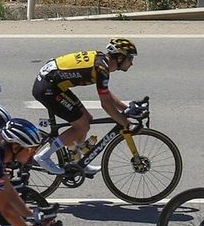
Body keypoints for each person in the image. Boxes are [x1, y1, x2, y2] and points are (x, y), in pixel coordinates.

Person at [31, 37, 140, 175]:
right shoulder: (101, 69)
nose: (131, 63)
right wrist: (126, 123)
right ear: (119, 58)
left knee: (87, 118)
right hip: (48, 88)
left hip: (53, 83)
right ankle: (44, 156)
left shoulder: (102, 62)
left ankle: (76, 162)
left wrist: (126, 108)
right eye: (130, 59)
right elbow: (106, 104)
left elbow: (105, 92)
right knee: (82, 126)